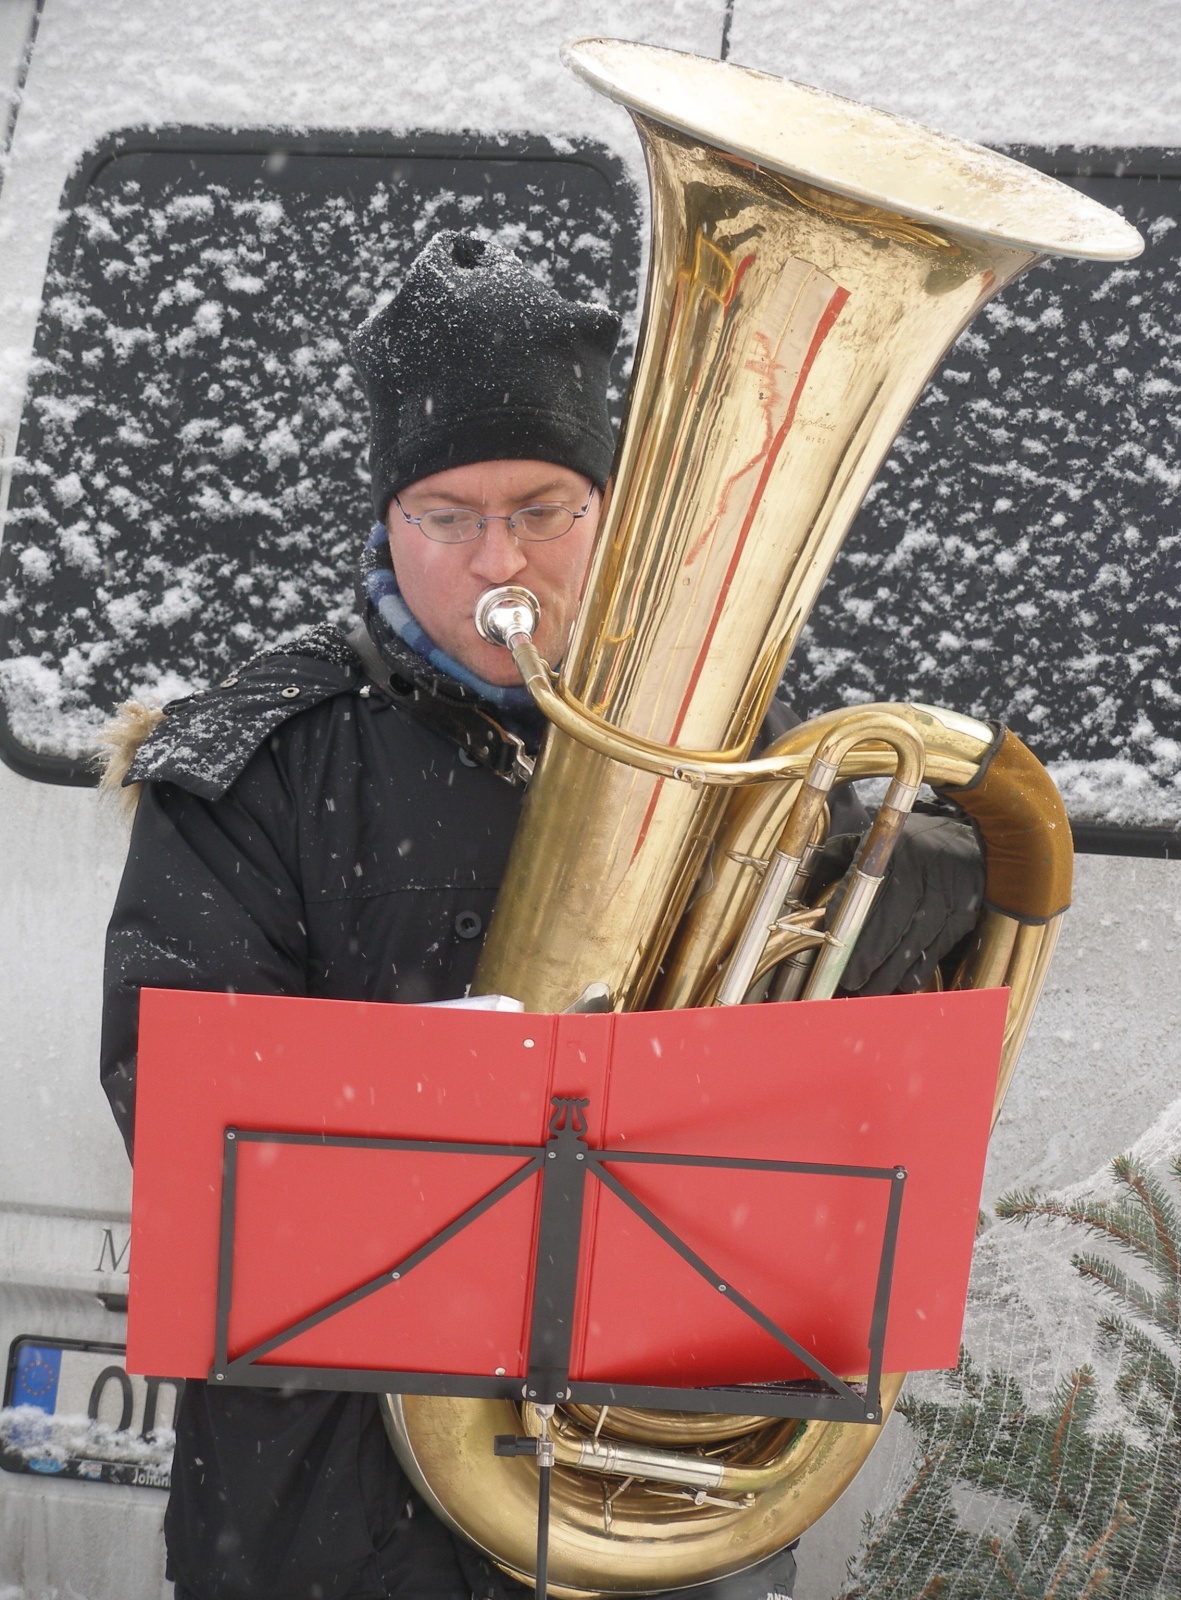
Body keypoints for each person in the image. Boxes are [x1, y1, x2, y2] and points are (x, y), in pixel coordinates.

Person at [100, 230, 983, 1600]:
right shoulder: (263, 763)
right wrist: (436, 1082)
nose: (496, 557)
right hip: (331, 1511)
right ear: (386, 521)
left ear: (612, 512)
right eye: (445, 516)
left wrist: (903, 892)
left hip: (657, 1493)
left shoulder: (744, 755)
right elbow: (170, 1085)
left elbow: (860, 1113)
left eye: (544, 509)